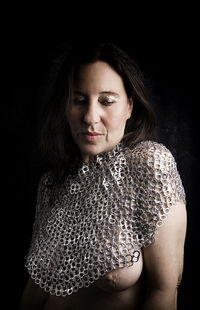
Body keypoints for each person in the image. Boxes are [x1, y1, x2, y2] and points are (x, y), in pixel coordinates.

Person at [20, 42, 187, 310]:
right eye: (79, 100)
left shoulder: (149, 166)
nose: (90, 116)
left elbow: (164, 291)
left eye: (106, 101)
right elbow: (35, 289)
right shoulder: (51, 184)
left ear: (130, 106)